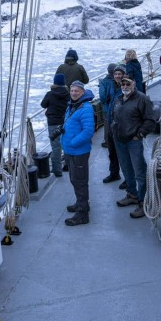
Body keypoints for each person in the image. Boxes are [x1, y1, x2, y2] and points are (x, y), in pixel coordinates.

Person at [112, 76, 157, 219]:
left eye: (128, 83)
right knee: (126, 169)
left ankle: (143, 202)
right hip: (120, 140)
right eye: (122, 83)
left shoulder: (142, 99)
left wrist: (140, 134)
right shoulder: (119, 98)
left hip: (134, 141)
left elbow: (150, 120)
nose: (124, 86)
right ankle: (132, 194)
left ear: (134, 84)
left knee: (139, 171)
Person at [61, 79, 95, 226]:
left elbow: (88, 131)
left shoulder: (85, 108)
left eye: (77, 91)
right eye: (72, 90)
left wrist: (72, 142)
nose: (74, 93)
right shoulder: (73, 105)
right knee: (75, 179)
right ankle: (81, 204)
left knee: (80, 181)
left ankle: (82, 214)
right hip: (71, 151)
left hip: (78, 151)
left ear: (82, 92)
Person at [40, 72, 69, 177]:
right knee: (65, 144)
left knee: (55, 147)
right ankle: (68, 165)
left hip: (53, 123)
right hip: (64, 122)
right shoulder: (68, 94)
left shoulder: (50, 94)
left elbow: (43, 104)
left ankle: (57, 170)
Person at [98, 64, 123, 183]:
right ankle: (114, 173)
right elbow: (106, 99)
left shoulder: (127, 87)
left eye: (120, 74)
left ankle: (128, 180)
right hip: (110, 120)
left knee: (124, 153)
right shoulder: (112, 86)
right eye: (116, 74)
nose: (117, 76)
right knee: (112, 150)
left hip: (123, 123)